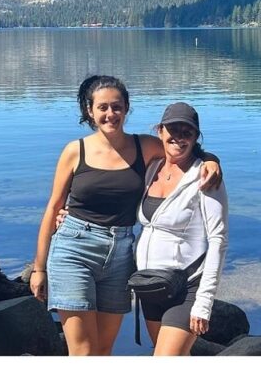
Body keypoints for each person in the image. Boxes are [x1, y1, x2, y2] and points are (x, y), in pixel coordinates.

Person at [30, 76, 222, 356]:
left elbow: (182, 148)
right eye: (103, 107)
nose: (110, 114)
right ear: (90, 111)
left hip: (121, 254)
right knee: (83, 352)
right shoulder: (75, 151)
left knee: (105, 350)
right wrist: (39, 268)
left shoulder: (145, 146)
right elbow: (53, 207)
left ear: (127, 108)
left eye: (117, 107)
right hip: (74, 248)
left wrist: (212, 161)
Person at [134, 102, 228, 356]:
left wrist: (204, 303)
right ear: (160, 131)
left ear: (196, 137)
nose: (179, 137)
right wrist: (65, 211)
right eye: (173, 130)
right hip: (151, 284)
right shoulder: (151, 167)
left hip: (186, 287)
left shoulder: (206, 176)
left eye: (187, 132)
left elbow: (218, 240)